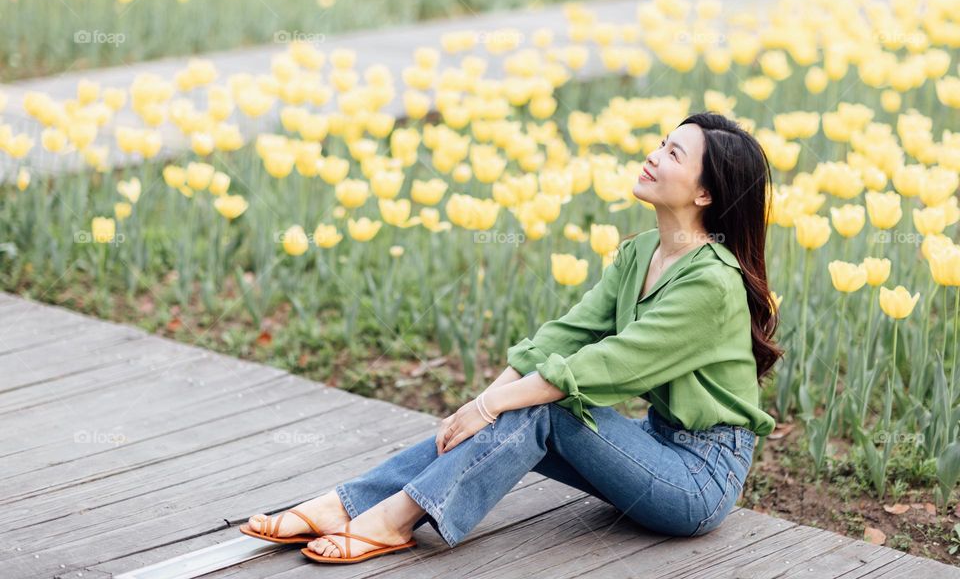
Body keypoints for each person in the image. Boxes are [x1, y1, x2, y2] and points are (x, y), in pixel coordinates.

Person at [241, 112, 784, 564]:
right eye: (662, 143)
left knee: (542, 404)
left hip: (698, 481)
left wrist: (493, 401)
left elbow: (611, 364)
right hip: (652, 446)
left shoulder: (712, 282)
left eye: (673, 155)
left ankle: (391, 519)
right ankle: (349, 504)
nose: (654, 155)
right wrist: (481, 404)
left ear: (707, 192)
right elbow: (566, 334)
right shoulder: (641, 251)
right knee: (522, 402)